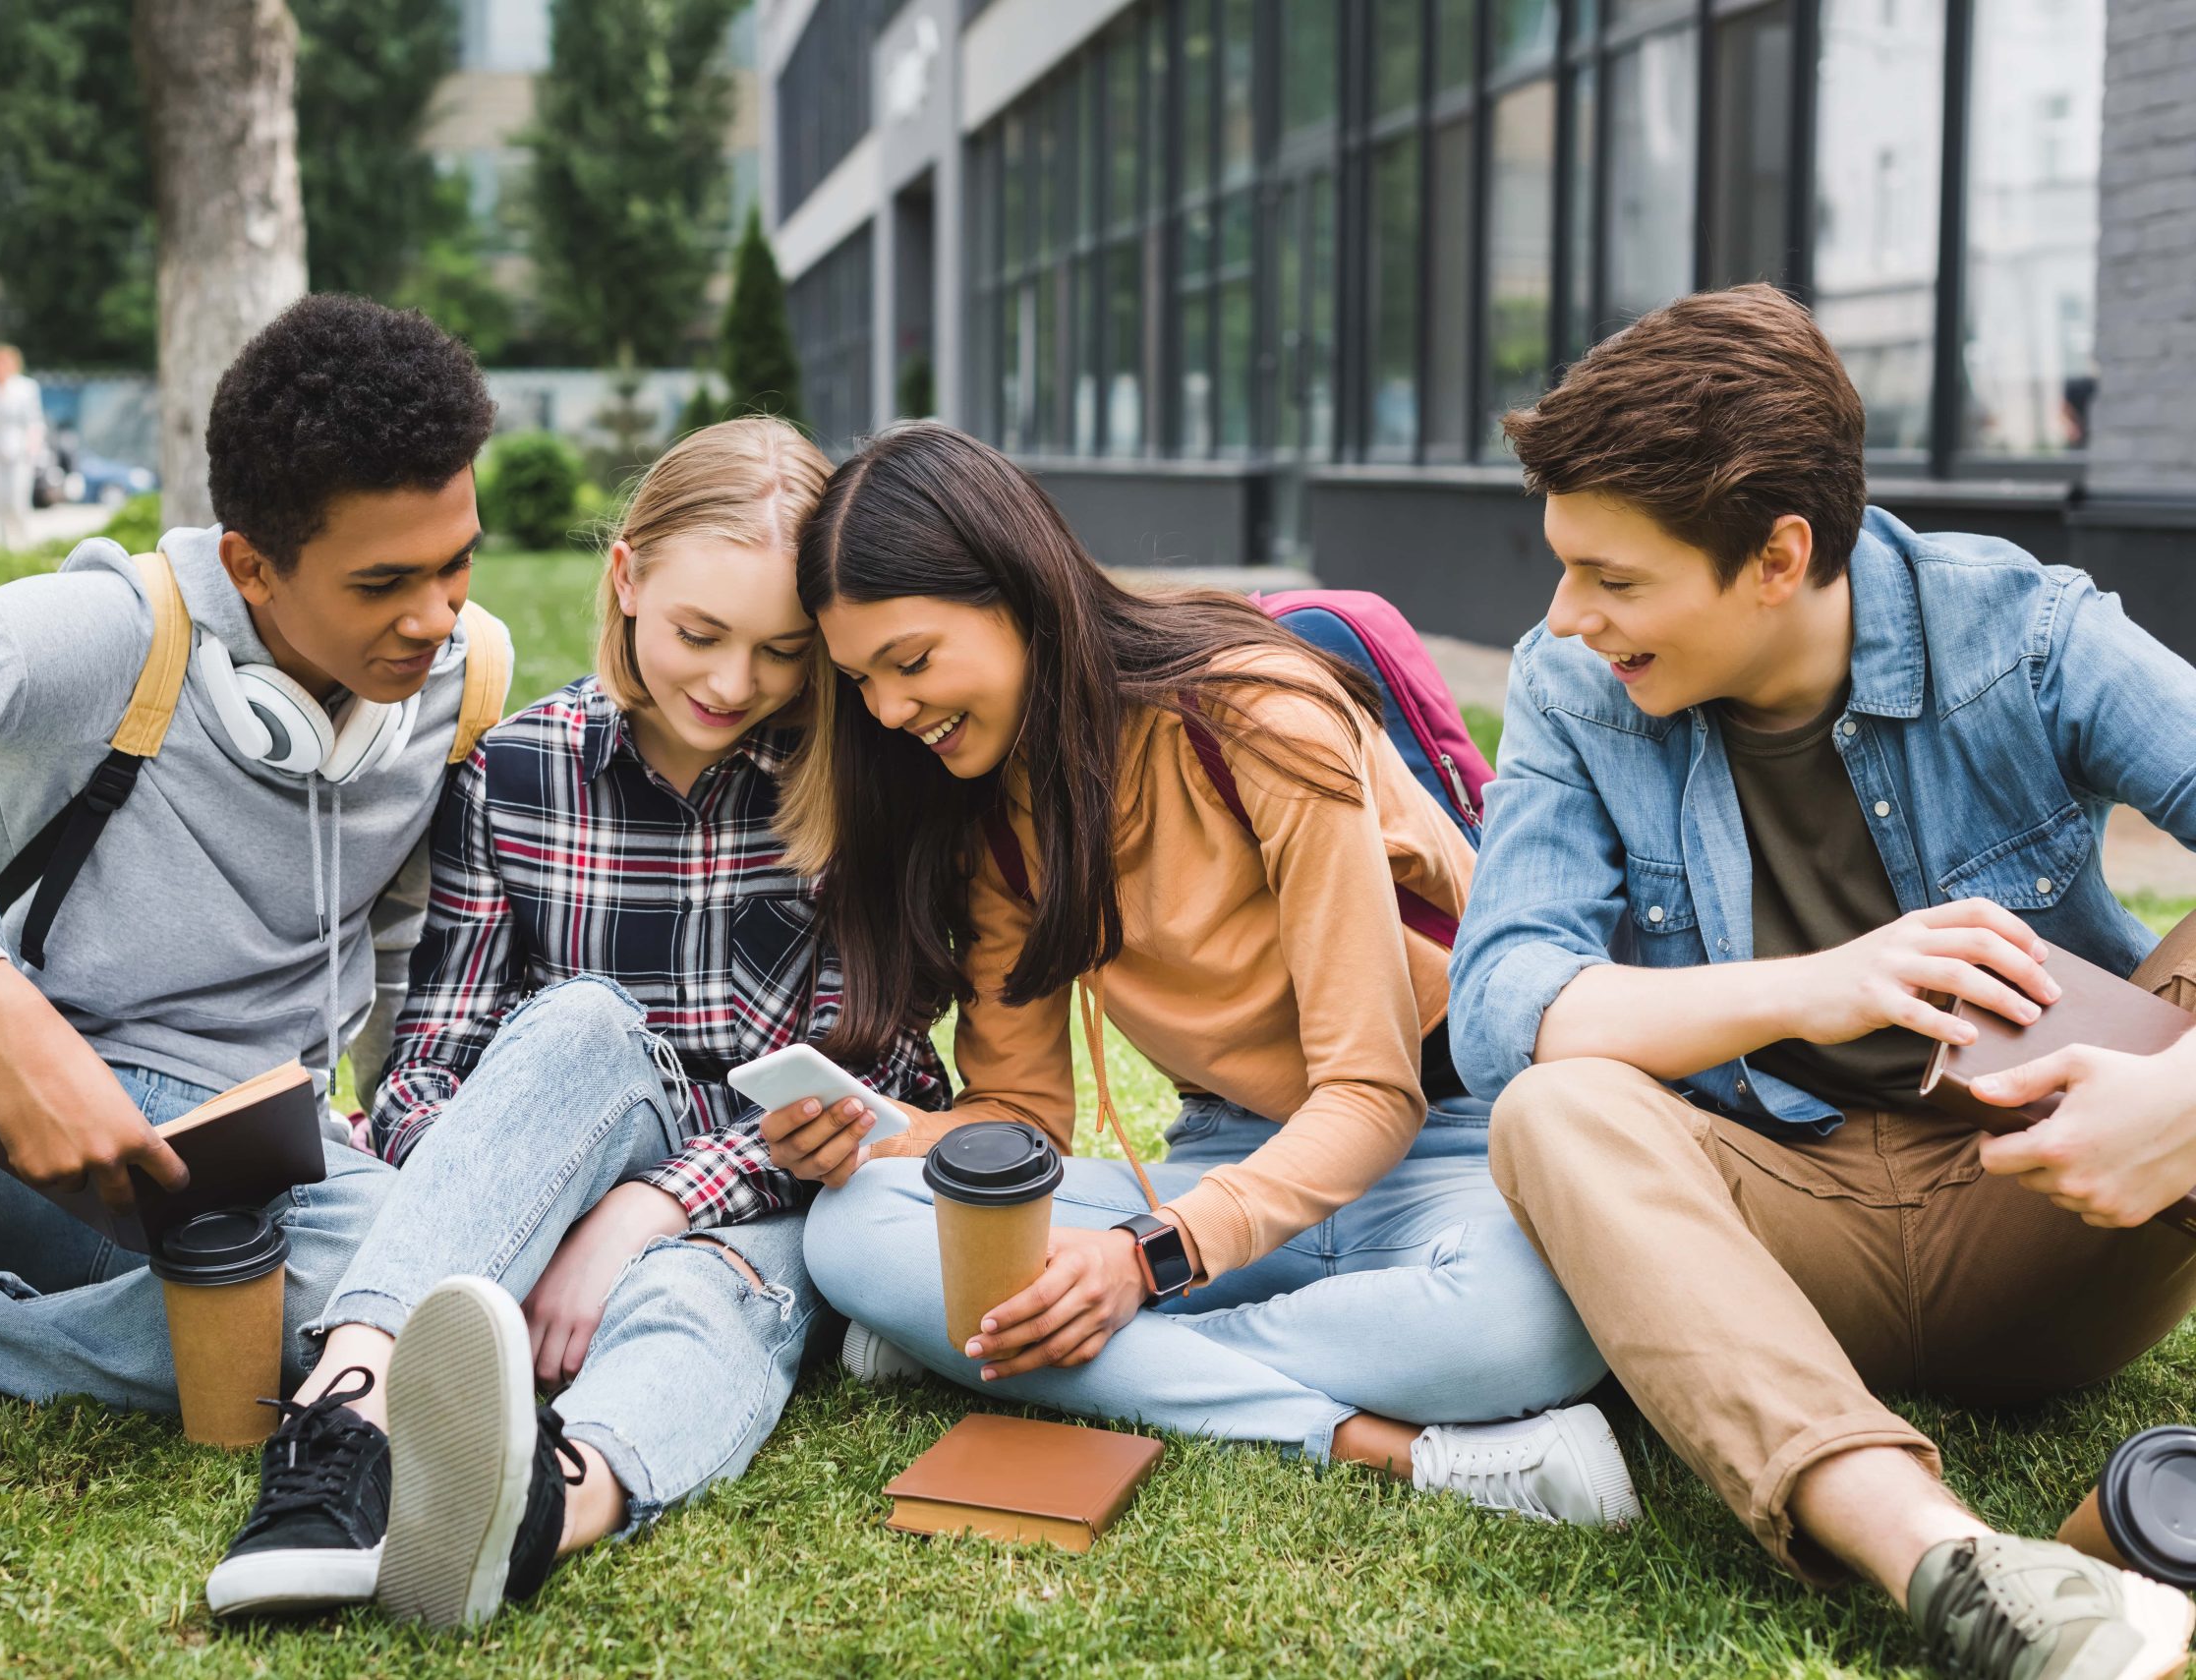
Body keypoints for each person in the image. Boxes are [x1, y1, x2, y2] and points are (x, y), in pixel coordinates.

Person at [0, 295, 505, 1648]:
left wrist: (388, 1128)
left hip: (245, 1192)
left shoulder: (465, 679)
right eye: (381, 585)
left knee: (448, 1306)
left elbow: (411, 952)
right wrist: (0, 1017)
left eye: (456, 565)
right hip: (4, 1138)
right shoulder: (112, 629)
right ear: (251, 564)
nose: (434, 618)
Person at [1449, 284, 2196, 1680]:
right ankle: (1952, 1565)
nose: (1566, 619)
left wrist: (2183, 1104)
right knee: (1553, 1110)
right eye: (1567, 571)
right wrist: (1811, 987)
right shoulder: (1573, 690)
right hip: (1789, 1238)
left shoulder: (2023, 635)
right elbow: (1503, 1004)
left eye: (1613, 580)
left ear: (1778, 555)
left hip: (2061, 1193)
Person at [780, 423, 1628, 1525]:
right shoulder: (987, 820)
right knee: (854, 1225)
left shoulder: (1258, 712)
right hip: (1220, 1162)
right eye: (861, 680)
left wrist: (1136, 1267)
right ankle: (1380, 1442)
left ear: (1019, 590)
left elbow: (1372, 1093)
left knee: (1528, 1324)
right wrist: (880, 1132)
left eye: (912, 660)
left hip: (1445, 1146)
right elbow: (1023, 1117)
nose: (891, 711)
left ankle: (1048, 1355)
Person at [201, 417, 952, 1629]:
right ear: (627, 580)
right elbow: (433, 1056)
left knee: (705, 1303)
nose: (728, 682)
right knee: (582, 1021)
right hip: (538, 1154)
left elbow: (868, 1073)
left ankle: (545, 1506)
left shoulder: (864, 787)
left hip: (765, 1199)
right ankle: (347, 1425)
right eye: (698, 634)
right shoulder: (518, 768)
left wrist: (646, 1208)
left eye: (780, 651)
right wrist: (533, 1207)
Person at [0, 344, 44, 551]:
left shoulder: (26, 387)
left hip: (18, 449)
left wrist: (33, 446)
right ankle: (3, 544)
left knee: (17, 497)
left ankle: (23, 542)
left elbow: (34, 419)